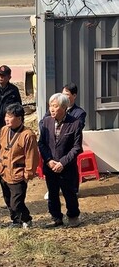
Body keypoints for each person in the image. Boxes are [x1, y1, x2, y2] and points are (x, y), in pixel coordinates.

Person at [39, 93, 84, 228]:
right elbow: (41, 143)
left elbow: (77, 148)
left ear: (64, 107)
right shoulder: (46, 121)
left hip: (67, 167)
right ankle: (56, 217)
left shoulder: (74, 123)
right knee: (52, 193)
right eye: (50, 106)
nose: (52, 109)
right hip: (50, 165)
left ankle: (73, 216)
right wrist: (48, 160)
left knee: (69, 193)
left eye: (55, 106)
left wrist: (63, 162)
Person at [0, 103, 39, 228]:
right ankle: (16, 221)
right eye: (6, 116)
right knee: (8, 200)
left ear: (19, 118)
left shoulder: (27, 135)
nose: (6, 119)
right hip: (3, 171)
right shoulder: (4, 130)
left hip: (18, 174)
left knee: (16, 203)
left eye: (10, 117)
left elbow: (32, 156)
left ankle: (27, 218)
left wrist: (28, 174)